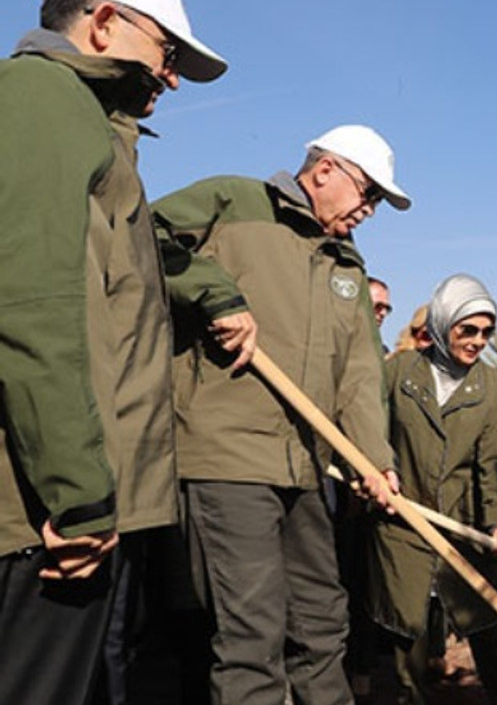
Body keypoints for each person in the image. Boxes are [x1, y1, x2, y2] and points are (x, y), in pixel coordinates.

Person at [0, 0, 226, 704]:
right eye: (167, 51)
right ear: (103, 22)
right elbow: (34, 305)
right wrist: (79, 496)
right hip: (50, 518)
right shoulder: (43, 98)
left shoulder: (80, 118)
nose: (172, 76)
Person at [151, 124, 408, 705]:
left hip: (306, 466)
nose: (369, 210)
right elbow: (142, 232)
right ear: (325, 170)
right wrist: (215, 292)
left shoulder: (346, 262)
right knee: (251, 636)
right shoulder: (234, 202)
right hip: (228, 456)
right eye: (367, 193)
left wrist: (374, 459)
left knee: (322, 622)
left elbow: (362, 374)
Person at [368, 274, 497, 705]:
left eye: (486, 332)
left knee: (494, 635)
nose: (478, 341)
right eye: (468, 329)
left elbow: (495, 459)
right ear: (441, 324)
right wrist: (373, 469)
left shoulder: (488, 384)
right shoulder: (400, 372)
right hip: (402, 526)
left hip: (462, 527)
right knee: (410, 645)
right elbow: (368, 428)